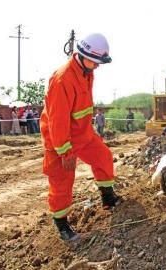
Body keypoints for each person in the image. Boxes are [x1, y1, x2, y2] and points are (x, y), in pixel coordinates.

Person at [40, 33, 120, 241]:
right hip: (60, 141)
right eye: (96, 62)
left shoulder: (86, 71)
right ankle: (62, 224)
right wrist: (65, 151)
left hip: (82, 134)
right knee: (62, 181)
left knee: (103, 157)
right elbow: (57, 121)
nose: (98, 67)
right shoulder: (62, 79)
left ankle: (108, 198)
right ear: (83, 55)